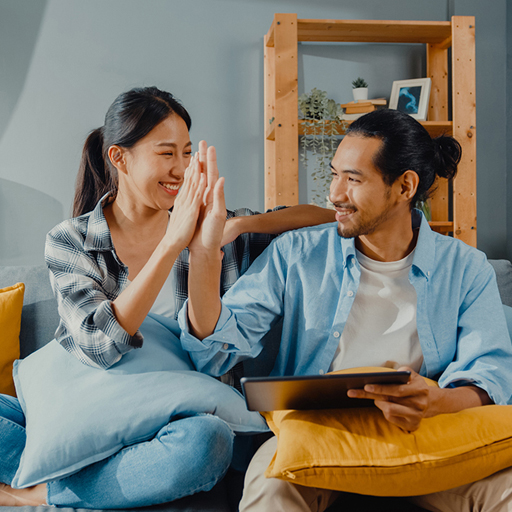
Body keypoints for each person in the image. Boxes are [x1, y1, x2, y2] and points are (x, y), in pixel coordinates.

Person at [0, 86, 335, 508]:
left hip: (177, 426)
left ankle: (41, 491)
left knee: (208, 443)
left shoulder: (211, 230)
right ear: (119, 158)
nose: (181, 169)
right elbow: (98, 346)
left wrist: (239, 228)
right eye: (166, 154)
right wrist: (171, 245)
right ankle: (99, 478)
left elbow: (329, 220)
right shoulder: (73, 240)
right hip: (92, 413)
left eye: (187, 153)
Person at [179, 108, 512, 512]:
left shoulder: (465, 267)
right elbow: (215, 351)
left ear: (405, 186)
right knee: (271, 490)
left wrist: (437, 400)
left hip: (424, 436)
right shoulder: (297, 254)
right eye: (335, 174)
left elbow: (490, 374)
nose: (334, 193)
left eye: (353, 179)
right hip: (315, 436)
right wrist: (203, 254)